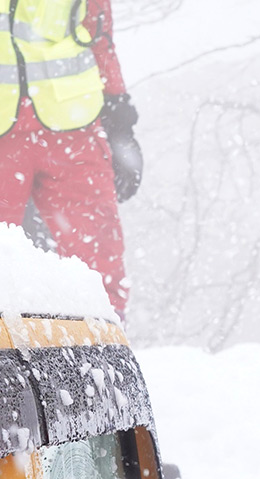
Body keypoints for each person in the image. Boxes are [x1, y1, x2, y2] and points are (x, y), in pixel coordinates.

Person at [1, 0, 142, 320]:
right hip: (7, 139)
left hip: (74, 125)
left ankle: (104, 357)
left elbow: (99, 34)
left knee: (99, 264)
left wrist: (120, 127)